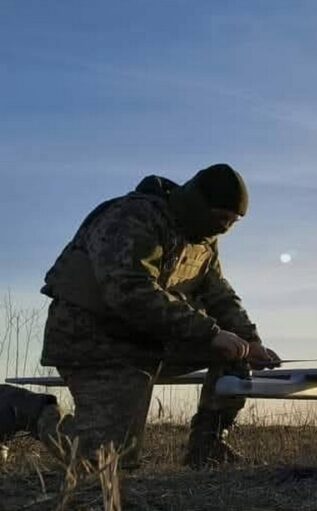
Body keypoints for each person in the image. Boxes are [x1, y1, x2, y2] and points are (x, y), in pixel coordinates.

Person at [2, 164, 279, 468]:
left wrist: (250, 342)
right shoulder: (131, 218)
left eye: (232, 222)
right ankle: (21, 409)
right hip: (93, 340)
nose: (224, 228)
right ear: (200, 205)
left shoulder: (202, 239)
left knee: (235, 353)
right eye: (221, 218)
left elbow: (219, 295)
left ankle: (207, 445)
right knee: (106, 462)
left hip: (149, 339)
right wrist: (210, 333)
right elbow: (129, 291)